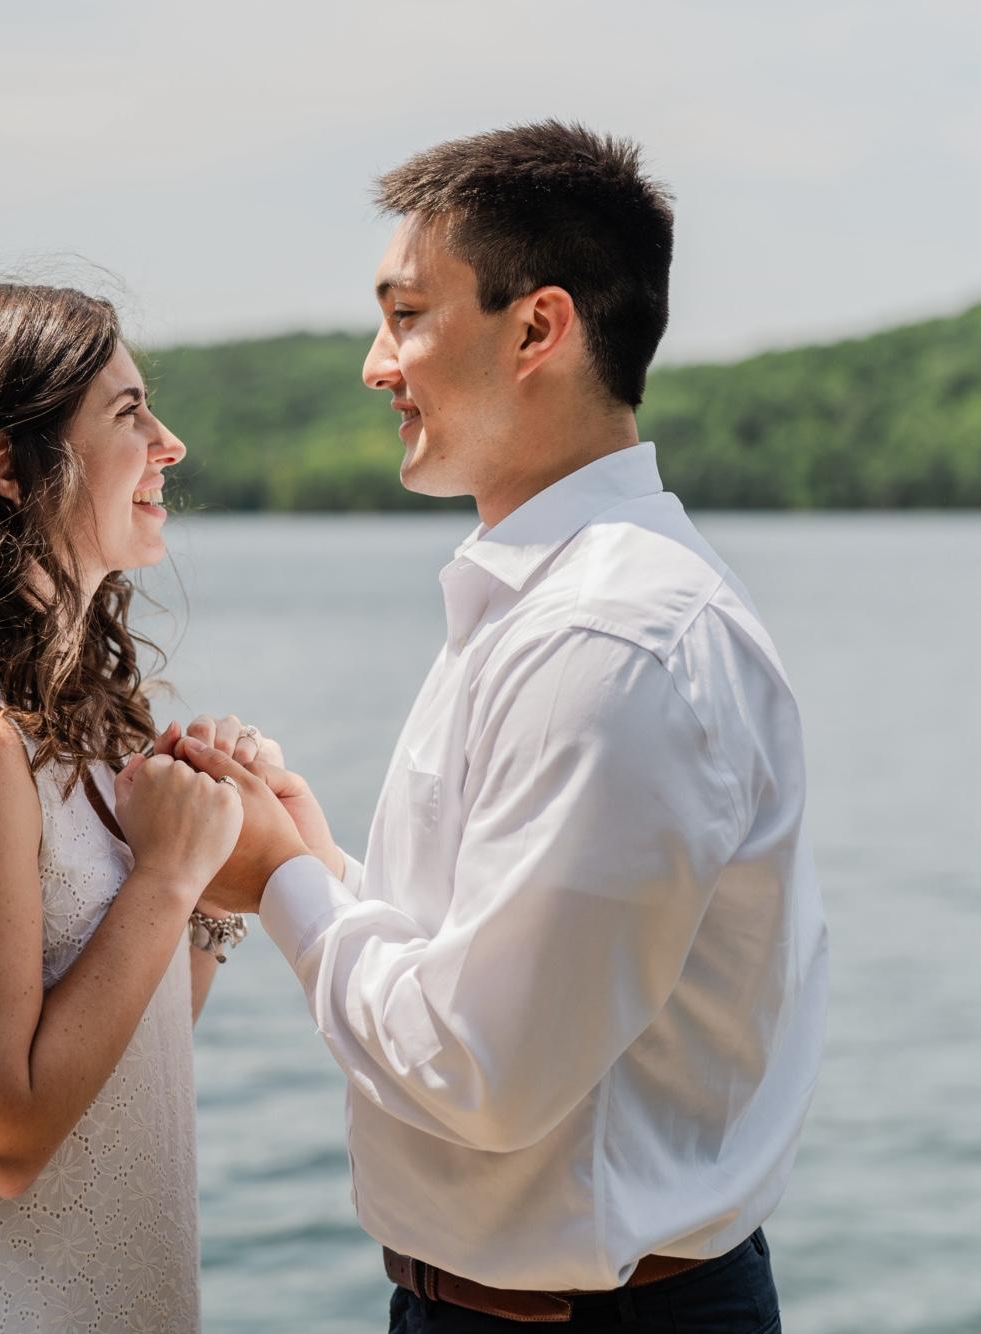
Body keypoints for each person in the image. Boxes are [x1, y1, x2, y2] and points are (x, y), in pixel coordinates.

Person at [173, 122, 829, 1332]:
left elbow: (484, 1072)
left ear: (537, 328)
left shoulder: (607, 640)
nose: (376, 364)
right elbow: (487, 962)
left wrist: (277, 883)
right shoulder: (547, 603)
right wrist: (315, 855)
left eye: (406, 315)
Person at [0, 283, 307, 1332]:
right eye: (127, 415)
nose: (169, 443)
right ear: (5, 462)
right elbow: (1, 1134)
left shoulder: (70, 714)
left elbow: (123, 1048)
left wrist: (209, 874)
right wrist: (164, 872)